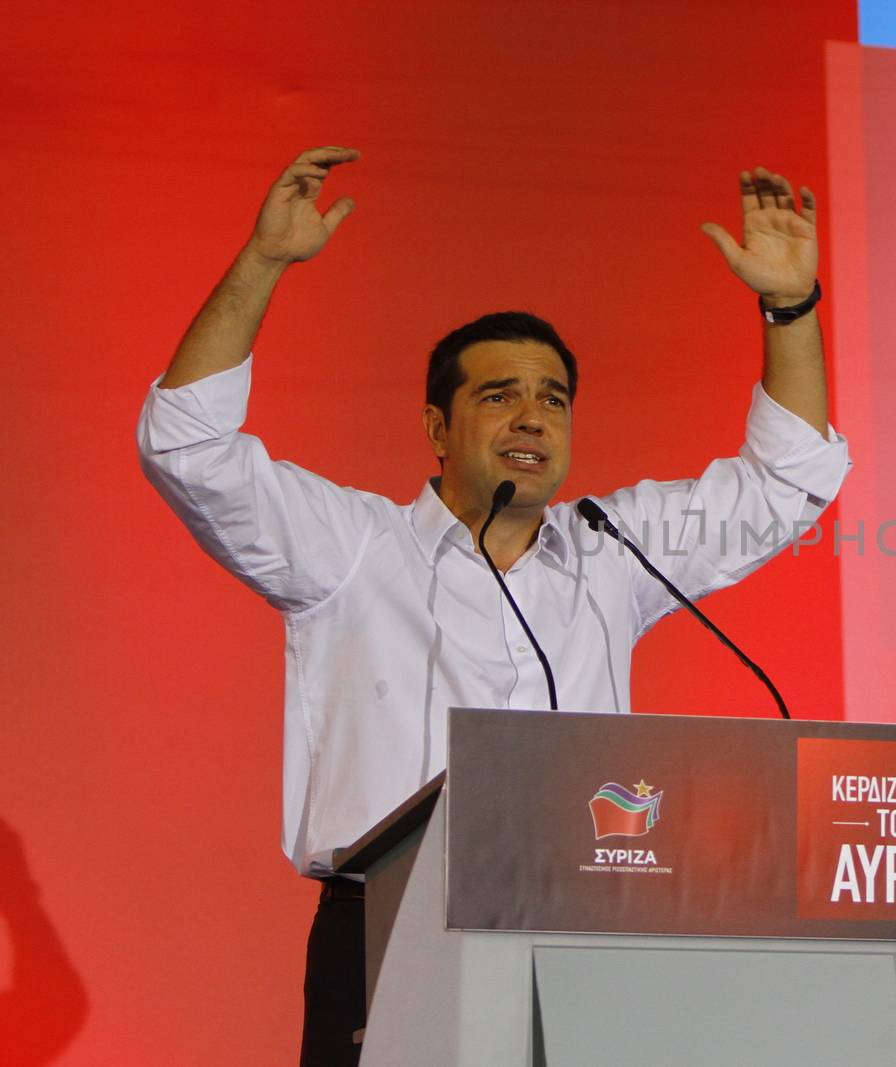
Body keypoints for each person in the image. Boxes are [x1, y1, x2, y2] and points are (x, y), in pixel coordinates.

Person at [136, 145, 848, 1065]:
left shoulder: (613, 552)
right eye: (500, 395)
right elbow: (187, 446)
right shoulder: (352, 546)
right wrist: (264, 262)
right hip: (390, 934)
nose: (532, 418)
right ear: (437, 428)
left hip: (583, 934)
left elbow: (786, 484)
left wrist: (789, 308)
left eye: (553, 399)